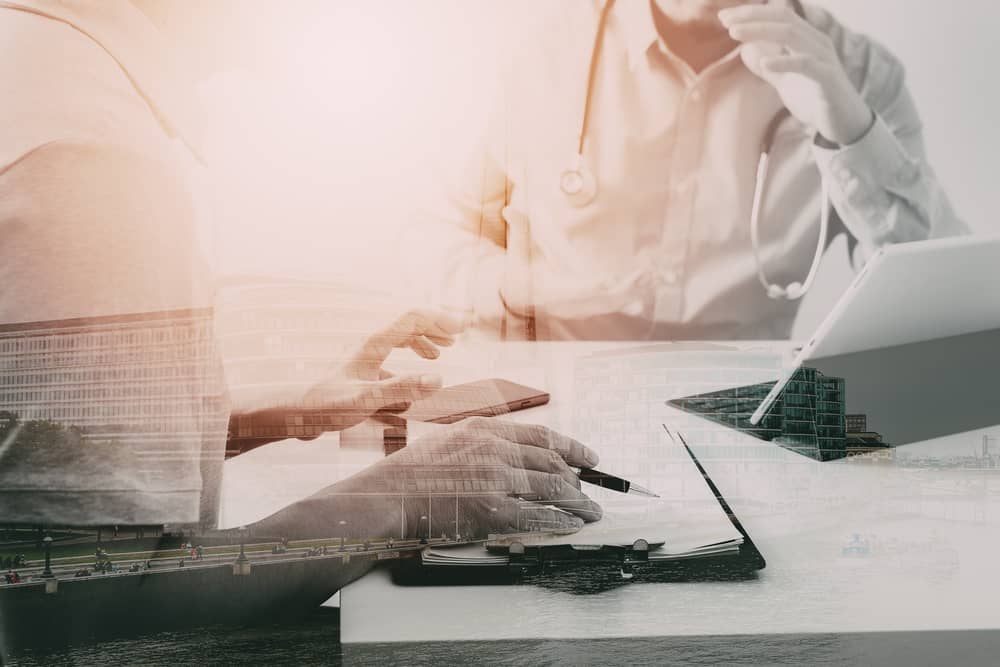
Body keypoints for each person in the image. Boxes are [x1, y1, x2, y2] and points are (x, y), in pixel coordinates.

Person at [0, 1, 600, 545]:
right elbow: (86, 624)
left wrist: (279, 415)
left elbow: (50, 463)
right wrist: (405, 496)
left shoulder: (43, 68)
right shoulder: (93, 164)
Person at [427, 0, 968, 341]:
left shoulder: (861, 77)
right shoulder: (550, 53)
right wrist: (515, 289)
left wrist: (850, 129)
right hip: (560, 395)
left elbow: (948, 298)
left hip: (745, 411)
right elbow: (441, 239)